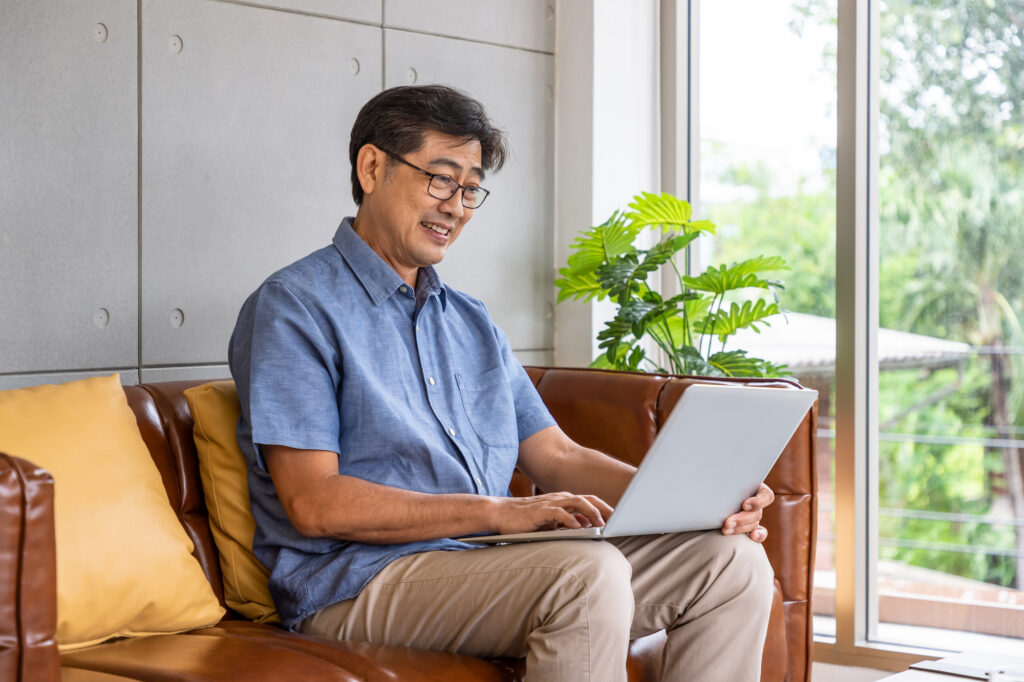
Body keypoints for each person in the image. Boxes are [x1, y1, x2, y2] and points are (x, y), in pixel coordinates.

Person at [229, 84, 775, 682]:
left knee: (733, 562)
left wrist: (694, 501)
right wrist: (497, 513)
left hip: (486, 564)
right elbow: (315, 503)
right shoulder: (294, 307)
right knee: (586, 576)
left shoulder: (469, 321)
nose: (456, 208)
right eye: (440, 179)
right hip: (355, 584)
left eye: (469, 189)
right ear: (371, 167)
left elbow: (556, 454)